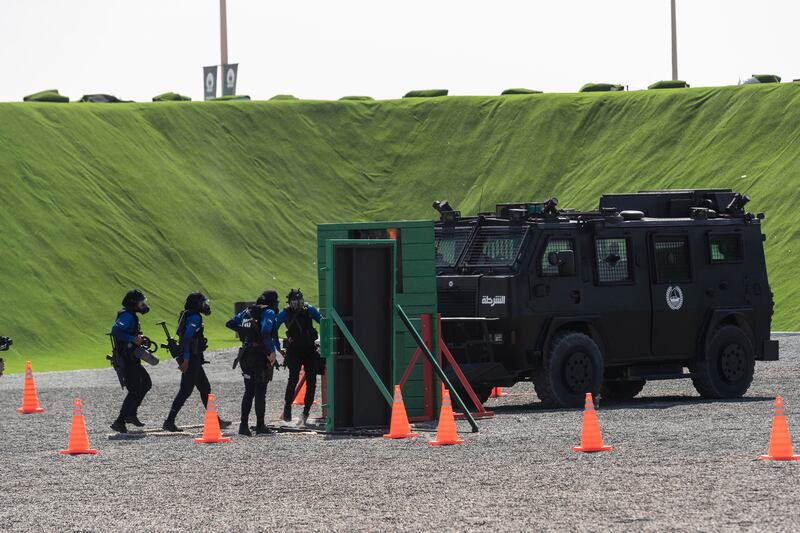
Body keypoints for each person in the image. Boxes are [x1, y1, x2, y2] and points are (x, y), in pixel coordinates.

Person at [162, 292, 231, 432]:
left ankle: (215, 420)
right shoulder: (194, 316)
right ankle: (169, 421)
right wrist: (186, 360)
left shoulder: (186, 314)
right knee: (185, 390)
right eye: (203, 302)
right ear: (197, 304)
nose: (205, 305)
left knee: (205, 388)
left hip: (194, 358)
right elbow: (187, 339)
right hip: (191, 358)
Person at [226, 290, 281, 436]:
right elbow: (265, 331)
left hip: (245, 356)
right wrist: (271, 351)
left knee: (248, 391)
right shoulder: (268, 312)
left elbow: (230, 323)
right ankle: (260, 426)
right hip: (259, 356)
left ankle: (243, 426)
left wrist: (246, 335)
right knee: (260, 391)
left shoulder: (247, 311)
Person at [275, 288, 322, 426]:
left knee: (312, 382)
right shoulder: (285, 313)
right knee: (293, 379)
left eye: (299, 300)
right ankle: (287, 406)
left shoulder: (310, 310)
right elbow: (273, 329)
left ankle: (306, 412)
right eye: (294, 301)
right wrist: (279, 348)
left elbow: (323, 321)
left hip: (310, 350)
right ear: (290, 302)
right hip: (294, 351)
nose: (297, 304)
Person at [110, 289, 153, 433]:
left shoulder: (131, 316)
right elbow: (116, 330)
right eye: (141, 302)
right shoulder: (127, 316)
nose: (143, 305)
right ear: (133, 303)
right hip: (126, 360)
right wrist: (132, 339)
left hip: (132, 358)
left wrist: (137, 337)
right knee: (134, 390)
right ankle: (119, 421)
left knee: (146, 383)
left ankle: (131, 414)